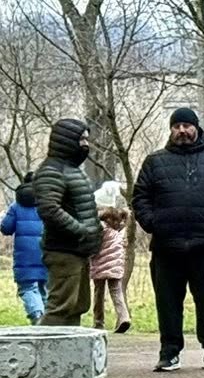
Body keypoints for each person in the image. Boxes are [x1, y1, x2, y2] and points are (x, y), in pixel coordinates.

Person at [131, 107, 204, 370]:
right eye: (176, 126)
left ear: (196, 128)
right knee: (167, 303)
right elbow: (140, 197)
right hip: (167, 246)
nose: (182, 131)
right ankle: (168, 353)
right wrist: (153, 223)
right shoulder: (155, 161)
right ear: (171, 130)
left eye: (186, 126)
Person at [31, 118, 101, 328]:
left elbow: (77, 206)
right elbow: (50, 209)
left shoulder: (71, 170)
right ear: (67, 140)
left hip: (77, 251)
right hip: (63, 250)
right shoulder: (51, 171)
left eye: (86, 139)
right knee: (60, 309)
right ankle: (43, 357)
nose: (85, 145)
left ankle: (68, 359)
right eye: (81, 139)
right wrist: (82, 231)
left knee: (76, 307)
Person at [89, 181, 133, 333]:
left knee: (98, 292)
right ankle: (124, 317)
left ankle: (98, 322)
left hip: (101, 262)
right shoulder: (120, 224)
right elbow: (123, 243)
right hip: (117, 262)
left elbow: (94, 244)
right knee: (116, 291)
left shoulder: (99, 225)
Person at [4, 183, 49, 324]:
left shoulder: (15, 207)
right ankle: (48, 320)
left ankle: (37, 315)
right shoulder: (45, 205)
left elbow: (6, 228)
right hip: (45, 251)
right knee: (44, 287)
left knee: (27, 287)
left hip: (24, 255)